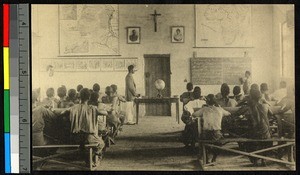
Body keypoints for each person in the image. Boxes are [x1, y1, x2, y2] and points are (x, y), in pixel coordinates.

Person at [64, 88, 107, 166]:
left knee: (87, 141)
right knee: (102, 144)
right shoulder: (93, 108)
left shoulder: (73, 108)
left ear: (79, 97)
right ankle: (91, 156)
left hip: (75, 137)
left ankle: (86, 155)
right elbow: (105, 113)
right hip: (88, 137)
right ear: (89, 98)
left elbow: (62, 112)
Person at [192, 94, 231, 163]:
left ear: (206, 102)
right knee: (220, 143)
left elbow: (194, 114)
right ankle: (214, 158)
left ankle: (206, 159)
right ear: (215, 101)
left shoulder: (204, 109)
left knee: (202, 141)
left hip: (206, 134)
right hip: (216, 134)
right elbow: (229, 113)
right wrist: (219, 109)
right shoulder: (219, 109)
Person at [244, 88, 273, 166]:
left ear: (251, 96)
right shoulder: (265, 106)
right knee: (265, 139)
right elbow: (272, 113)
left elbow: (238, 114)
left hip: (255, 132)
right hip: (265, 132)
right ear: (260, 97)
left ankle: (255, 160)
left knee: (247, 139)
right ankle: (263, 160)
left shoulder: (248, 107)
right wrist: (266, 102)